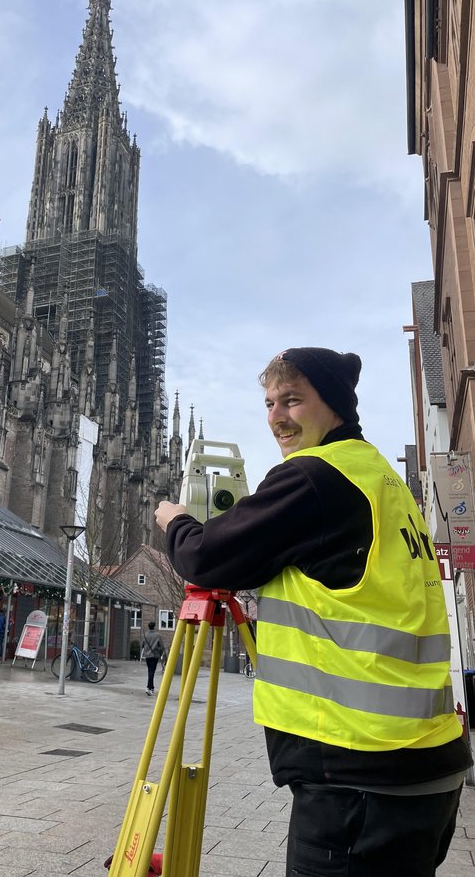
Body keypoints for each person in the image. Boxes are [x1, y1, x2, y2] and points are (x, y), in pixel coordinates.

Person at [155, 347, 472, 877]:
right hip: (423, 768)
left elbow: (206, 558)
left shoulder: (317, 477)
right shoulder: (381, 480)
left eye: (293, 400)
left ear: (336, 405)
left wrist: (176, 521)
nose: (277, 416)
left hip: (360, 778)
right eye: (270, 403)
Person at [141, 621, 165, 696]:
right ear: (154, 626)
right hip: (155, 655)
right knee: (152, 671)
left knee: (150, 671)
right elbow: (162, 646)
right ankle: (149, 688)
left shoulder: (145, 635)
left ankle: (151, 687)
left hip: (147, 655)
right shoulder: (157, 635)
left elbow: (142, 645)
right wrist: (160, 653)